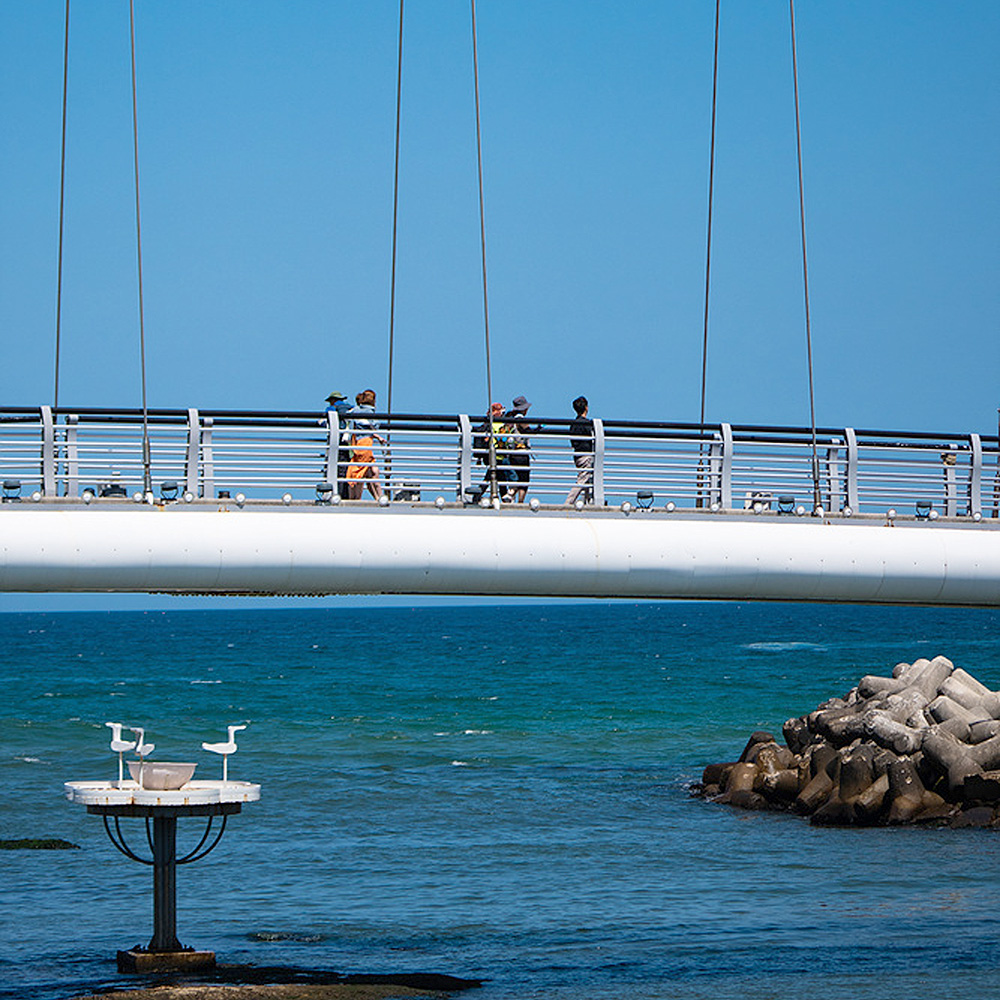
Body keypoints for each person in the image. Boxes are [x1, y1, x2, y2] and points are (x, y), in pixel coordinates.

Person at [345, 389, 385, 500]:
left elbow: (354, 421)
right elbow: (373, 426)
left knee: (371, 471)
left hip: (358, 442)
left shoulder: (355, 410)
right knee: (362, 471)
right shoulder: (370, 412)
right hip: (366, 443)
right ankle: (360, 499)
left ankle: (378, 498)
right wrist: (378, 436)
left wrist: (378, 437)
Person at [476, 402, 516, 494]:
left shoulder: (487, 423)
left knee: (497, 476)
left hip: (490, 454)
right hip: (498, 454)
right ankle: (478, 495)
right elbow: (503, 438)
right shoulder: (498, 424)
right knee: (494, 476)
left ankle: (503, 496)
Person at [503, 395, 535, 503]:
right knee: (524, 481)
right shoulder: (520, 419)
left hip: (512, 453)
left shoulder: (510, 420)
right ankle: (519, 502)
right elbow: (528, 431)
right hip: (521, 453)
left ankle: (510, 495)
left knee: (515, 478)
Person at [565, 395, 594, 505]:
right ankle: (568, 502)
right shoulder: (586, 423)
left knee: (587, 478)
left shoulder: (573, 424)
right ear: (586, 407)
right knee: (583, 478)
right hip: (586, 455)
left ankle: (588, 502)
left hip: (577, 456)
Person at [325, 391, 351, 499]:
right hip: (348, 442)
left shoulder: (332, 409)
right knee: (345, 468)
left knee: (333, 467)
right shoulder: (350, 408)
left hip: (336, 441)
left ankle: (335, 494)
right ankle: (346, 494)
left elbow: (323, 422)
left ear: (333, 400)